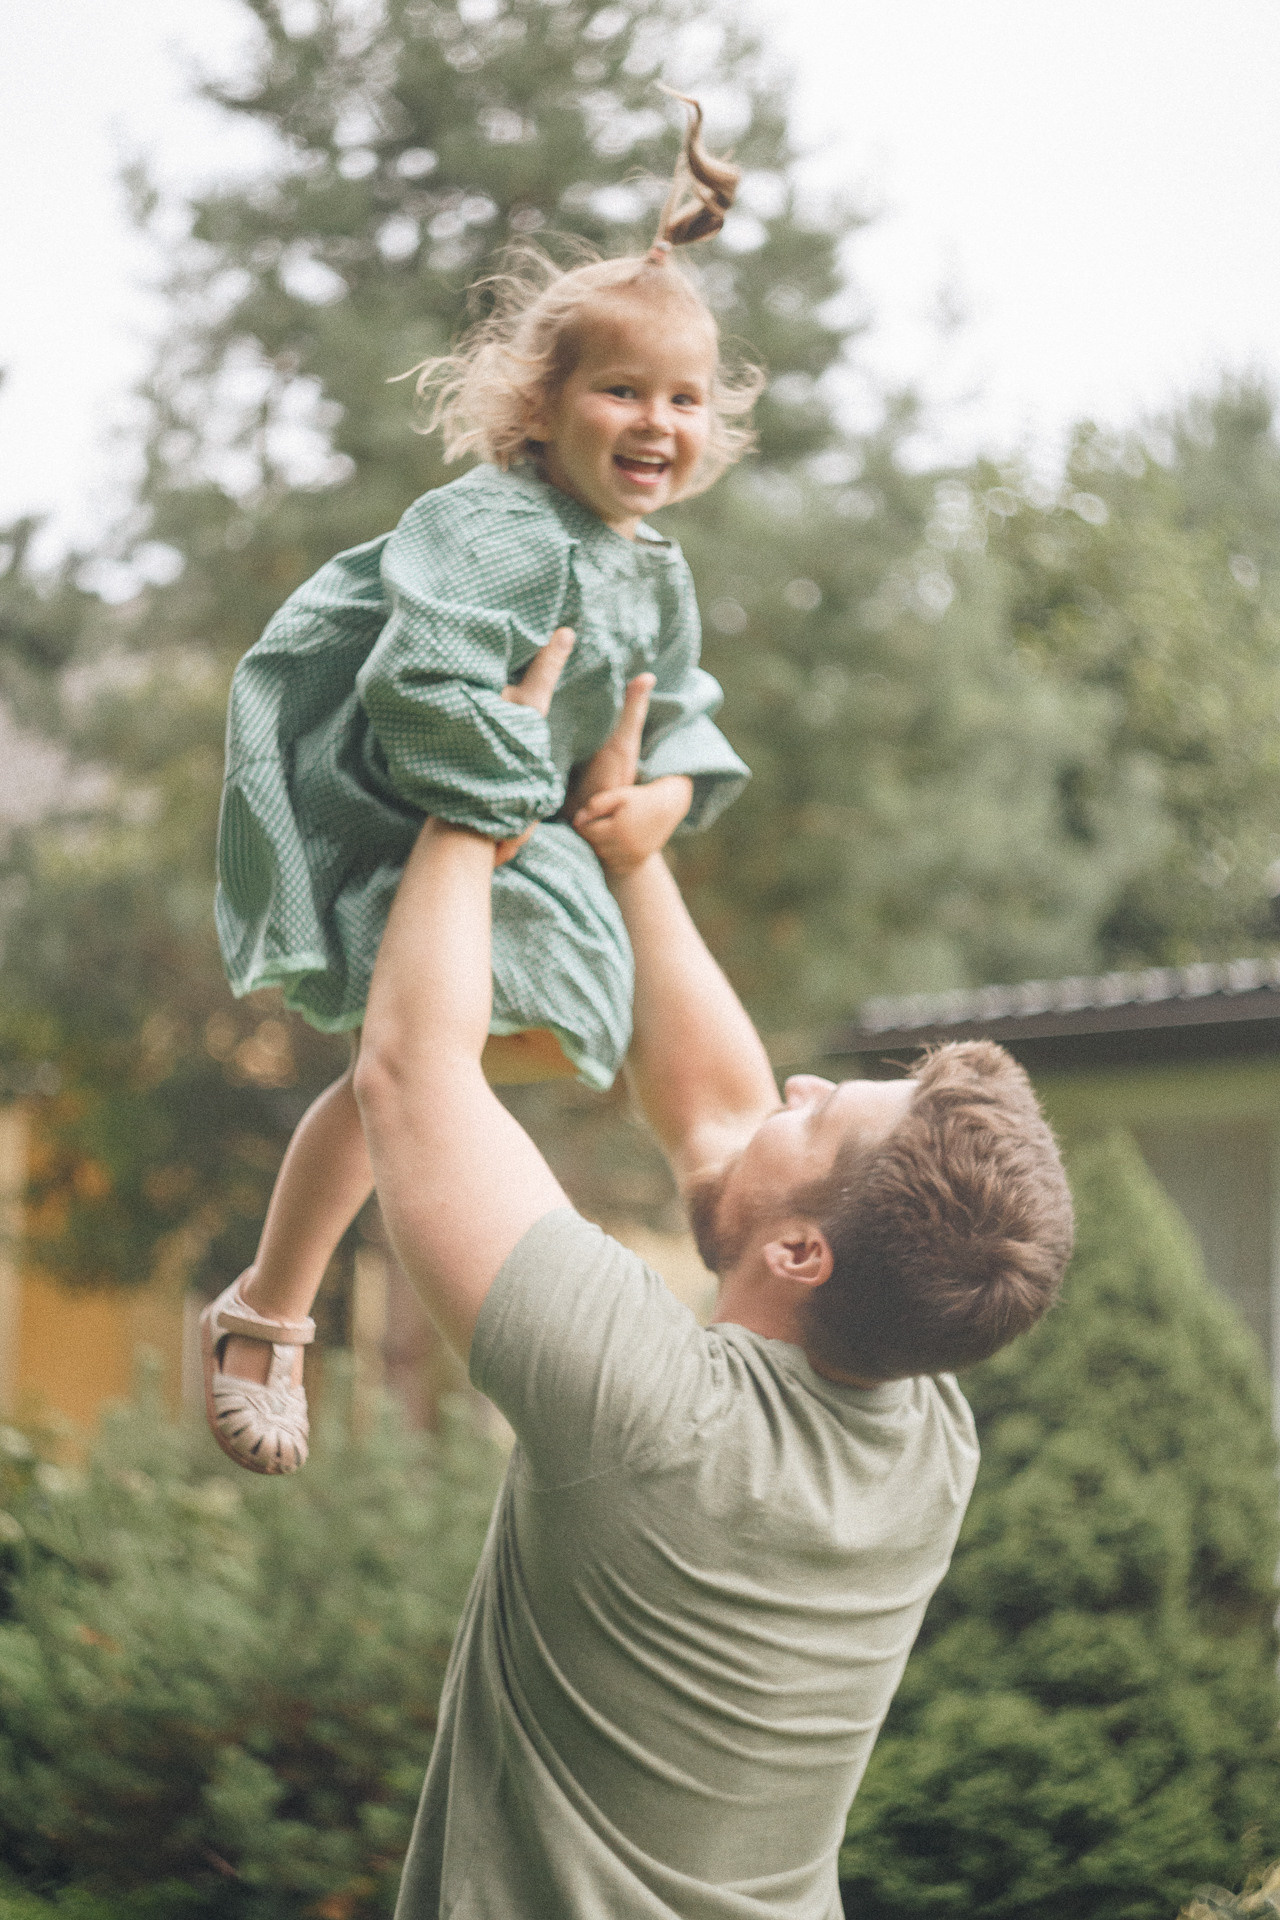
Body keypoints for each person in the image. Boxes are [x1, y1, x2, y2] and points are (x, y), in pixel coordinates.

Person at [348, 641, 1075, 1920]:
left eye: (820, 1109)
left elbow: (412, 1074)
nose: (788, 1087)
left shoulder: (641, 1408)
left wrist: (474, 782)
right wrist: (631, 861)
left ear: (802, 1257)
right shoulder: (923, 1434)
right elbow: (728, 1124)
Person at [201, 97, 764, 1474]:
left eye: (683, 400)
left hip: (517, 823)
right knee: (402, 1072)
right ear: (544, 406)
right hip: (406, 792)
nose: (654, 422)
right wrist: (507, 777)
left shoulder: (658, 568)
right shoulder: (508, 528)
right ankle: (270, 1304)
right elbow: (416, 682)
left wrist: (662, 806)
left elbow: (673, 711)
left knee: (463, 1076)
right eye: (619, 390)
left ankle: (507, 1290)